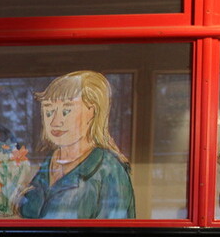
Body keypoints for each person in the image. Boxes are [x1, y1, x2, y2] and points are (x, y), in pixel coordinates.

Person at [19, 70, 135, 219]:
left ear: (92, 112)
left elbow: (115, 231)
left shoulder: (109, 170)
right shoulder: (51, 160)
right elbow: (28, 213)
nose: (55, 122)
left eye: (66, 111)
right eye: (49, 111)